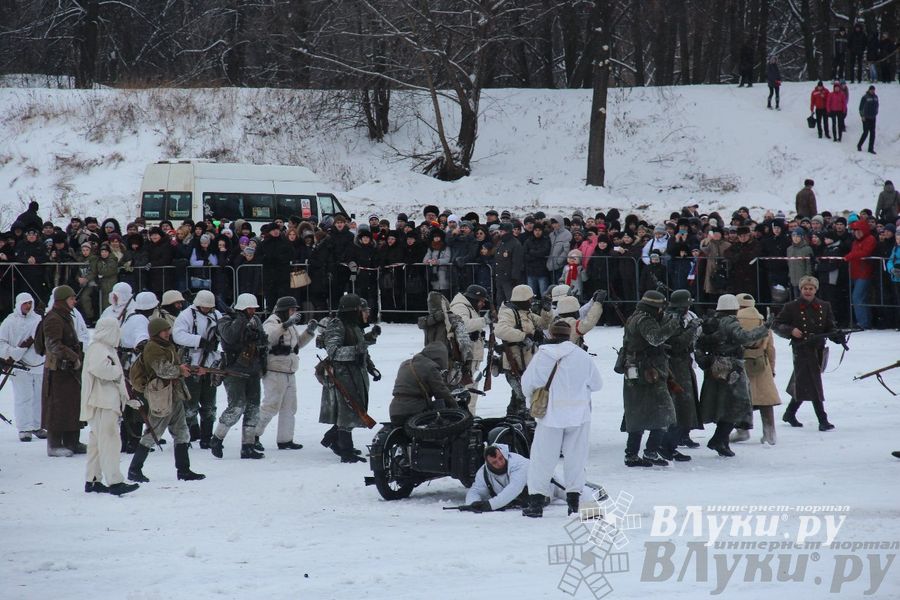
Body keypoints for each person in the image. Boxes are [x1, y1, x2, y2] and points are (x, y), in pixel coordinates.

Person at [521, 320, 602, 518]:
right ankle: (574, 503)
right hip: (579, 415)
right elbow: (597, 384)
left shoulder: (542, 356)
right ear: (568, 335)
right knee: (576, 460)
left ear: (550, 334)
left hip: (550, 415)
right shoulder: (582, 356)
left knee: (542, 460)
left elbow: (527, 384)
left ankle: (536, 504)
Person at [127, 318, 206, 482]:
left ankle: (184, 470)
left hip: (174, 394)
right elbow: (163, 370)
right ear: (156, 332)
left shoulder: (166, 346)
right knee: (153, 432)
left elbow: (174, 367)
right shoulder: (153, 348)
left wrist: (189, 370)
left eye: (168, 329)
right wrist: (180, 370)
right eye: (164, 330)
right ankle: (134, 470)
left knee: (182, 432)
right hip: (161, 395)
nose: (168, 332)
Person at [695, 294, 771, 457]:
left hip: (714, 368)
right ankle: (718, 439)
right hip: (732, 369)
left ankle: (722, 442)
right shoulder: (730, 322)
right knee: (737, 405)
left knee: (721, 405)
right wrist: (764, 328)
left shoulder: (710, 321)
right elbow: (744, 338)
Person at [620, 290, 681, 467]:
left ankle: (633, 454)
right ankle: (650, 452)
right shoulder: (645, 320)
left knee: (637, 412)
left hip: (637, 371)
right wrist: (673, 322)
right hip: (648, 373)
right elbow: (655, 338)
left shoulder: (636, 316)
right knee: (664, 412)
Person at [80, 318, 139, 495]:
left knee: (98, 443)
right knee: (110, 442)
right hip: (103, 402)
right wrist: (117, 372)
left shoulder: (103, 348)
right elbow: (100, 369)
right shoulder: (99, 348)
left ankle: (93, 480)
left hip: (103, 401)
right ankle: (115, 481)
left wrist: (128, 399)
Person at [319, 294, 379, 463]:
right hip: (342, 375)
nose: (365, 313)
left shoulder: (355, 326)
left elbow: (362, 349)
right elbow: (334, 351)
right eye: (362, 310)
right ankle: (345, 450)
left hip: (356, 374)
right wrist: (356, 350)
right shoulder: (337, 325)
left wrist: (371, 366)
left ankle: (332, 440)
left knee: (355, 408)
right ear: (353, 310)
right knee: (348, 411)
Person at [209, 293, 268, 459]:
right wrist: (241, 319)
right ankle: (217, 438)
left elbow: (263, 342)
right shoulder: (225, 320)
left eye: (253, 308)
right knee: (236, 407)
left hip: (253, 369)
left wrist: (258, 339)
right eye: (249, 308)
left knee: (253, 408)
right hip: (234, 370)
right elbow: (230, 337)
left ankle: (248, 445)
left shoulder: (255, 320)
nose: (252, 311)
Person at [774, 276, 837, 431]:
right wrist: (791, 331)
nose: (808, 291)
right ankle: (823, 420)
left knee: (804, 381)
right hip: (801, 349)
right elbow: (776, 324)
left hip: (818, 349)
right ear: (801, 290)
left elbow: (830, 327)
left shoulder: (824, 305)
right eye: (805, 288)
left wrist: (838, 336)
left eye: (811, 288)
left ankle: (790, 413)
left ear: (816, 290)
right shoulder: (791, 307)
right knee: (813, 382)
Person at [256, 296, 316, 450]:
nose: (294, 312)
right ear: (284, 310)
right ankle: (253, 436)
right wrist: (285, 325)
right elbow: (268, 338)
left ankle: (285, 439)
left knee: (289, 407)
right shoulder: (272, 322)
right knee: (270, 406)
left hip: (289, 371)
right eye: (292, 309)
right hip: (274, 372)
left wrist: (309, 332)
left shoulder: (290, 326)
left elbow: (296, 346)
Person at [172, 289, 222, 448]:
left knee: (209, 404)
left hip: (210, 365)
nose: (207, 309)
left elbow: (224, 331)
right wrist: (200, 341)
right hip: (191, 363)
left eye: (209, 307)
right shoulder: (186, 315)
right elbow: (178, 335)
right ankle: (185, 438)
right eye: (204, 306)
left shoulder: (216, 315)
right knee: (189, 405)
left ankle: (206, 437)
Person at [730, 294, 781, 445]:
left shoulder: (734, 321)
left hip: (740, 362)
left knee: (740, 398)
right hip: (761, 362)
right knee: (765, 400)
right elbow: (770, 348)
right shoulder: (762, 321)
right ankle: (769, 433)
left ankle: (742, 430)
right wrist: (771, 368)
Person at [495, 284, 552, 416]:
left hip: (527, 362)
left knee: (518, 396)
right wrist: (523, 336)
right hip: (514, 363)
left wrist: (546, 310)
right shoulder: (508, 312)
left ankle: (513, 420)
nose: (532, 302)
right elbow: (500, 330)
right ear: (523, 299)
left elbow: (544, 324)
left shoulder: (527, 313)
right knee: (522, 396)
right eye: (530, 299)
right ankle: (524, 423)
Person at [40, 285, 85, 457]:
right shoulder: (53, 318)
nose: (74, 301)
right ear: (62, 300)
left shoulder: (65, 316)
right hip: (58, 371)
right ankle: (54, 444)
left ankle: (72, 442)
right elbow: (53, 345)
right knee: (57, 407)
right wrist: (73, 357)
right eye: (71, 298)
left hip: (69, 371)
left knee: (71, 406)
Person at [659, 290, 702, 458]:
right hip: (676, 365)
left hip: (682, 364)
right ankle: (667, 446)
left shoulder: (673, 317)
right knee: (680, 407)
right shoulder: (672, 319)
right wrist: (692, 328)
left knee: (683, 407)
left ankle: (672, 443)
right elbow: (677, 343)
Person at [0, 293, 45, 442]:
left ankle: (37, 425)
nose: (28, 306)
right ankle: (24, 428)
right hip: (19, 366)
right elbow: (1, 343)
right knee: (23, 397)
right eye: (25, 303)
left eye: (30, 303)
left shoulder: (39, 320)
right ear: (19, 304)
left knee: (39, 397)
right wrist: (14, 353)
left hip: (38, 364)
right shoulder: (9, 322)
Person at [118, 290, 158, 453]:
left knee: (128, 403)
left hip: (125, 364)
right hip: (135, 367)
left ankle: (126, 441)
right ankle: (133, 444)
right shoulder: (142, 321)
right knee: (138, 403)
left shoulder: (130, 317)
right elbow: (142, 343)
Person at [388, 342, 457, 425]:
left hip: (395, 410)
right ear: (440, 357)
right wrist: (455, 408)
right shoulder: (430, 367)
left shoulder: (405, 363)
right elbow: (441, 392)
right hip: (415, 410)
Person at [449, 284, 489, 413]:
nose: (483, 304)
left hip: (471, 356)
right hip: (465, 358)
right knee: (467, 392)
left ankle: (468, 418)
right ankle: (467, 420)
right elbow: (463, 325)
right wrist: (485, 320)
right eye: (481, 301)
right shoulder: (460, 306)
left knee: (470, 393)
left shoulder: (467, 306)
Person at [417, 291, 472, 385]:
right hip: (450, 364)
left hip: (431, 365)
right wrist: (467, 363)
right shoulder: (454, 319)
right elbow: (464, 343)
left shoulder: (428, 323)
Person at [844, 220, 877, 329]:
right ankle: (864, 321)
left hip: (864, 273)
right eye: (855, 231)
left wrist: (850, 256)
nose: (857, 233)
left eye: (859, 230)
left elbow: (865, 252)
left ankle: (863, 322)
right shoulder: (855, 242)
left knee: (858, 297)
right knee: (860, 298)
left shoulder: (870, 239)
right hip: (855, 273)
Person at [857, 85, 878, 154]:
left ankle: (870, 148)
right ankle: (859, 145)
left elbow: (877, 105)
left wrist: (876, 113)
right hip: (866, 118)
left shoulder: (876, 97)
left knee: (873, 133)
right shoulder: (865, 97)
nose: (872, 91)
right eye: (871, 90)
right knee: (865, 132)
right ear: (869, 90)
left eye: (873, 90)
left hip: (873, 117)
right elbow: (860, 108)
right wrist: (862, 116)